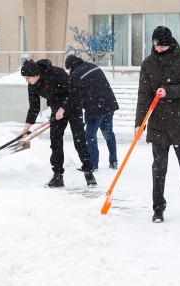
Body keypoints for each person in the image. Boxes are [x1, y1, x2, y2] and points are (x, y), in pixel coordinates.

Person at [136, 26, 180, 223]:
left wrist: (169, 91)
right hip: (158, 124)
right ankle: (158, 207)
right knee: (159, 169)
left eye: (162, 45)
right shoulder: (148, 64)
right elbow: (144, 95)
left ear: (170, 42)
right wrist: (139, 123)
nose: (158, 49)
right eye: (156, 45)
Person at [21, 58, 96, 188]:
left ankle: (88, 172)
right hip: (56, 110)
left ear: (35, 74)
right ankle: (58, 176)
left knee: (79, 140)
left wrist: (63, 108)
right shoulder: (33, 85)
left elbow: (74, 91)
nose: (26, 80)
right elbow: (34, 107)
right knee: (55, 142)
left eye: (28, 77)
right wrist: (26, 129)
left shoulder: (56, 73)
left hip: (73, 106)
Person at [65, 55, 120, 171]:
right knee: (108, 133)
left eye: (68, 69)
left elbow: (75, 96)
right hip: (109, 103)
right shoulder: (93, 66)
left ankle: (93, 164)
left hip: (95, 108)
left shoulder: (76, 74)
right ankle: (113, 162)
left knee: (90, 135)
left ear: (71, 67)